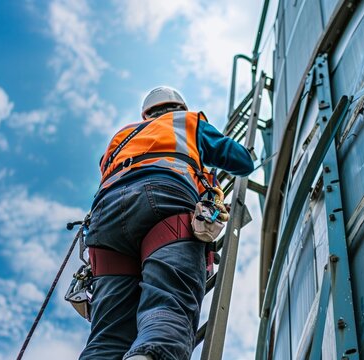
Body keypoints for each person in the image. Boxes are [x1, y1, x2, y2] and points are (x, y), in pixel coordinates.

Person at [79, 86, 254, 360]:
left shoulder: (121, 137)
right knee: (168, 302)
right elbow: (242, 162)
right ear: (180, 107)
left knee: (108, 334)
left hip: (106, 220)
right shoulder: (187, 121)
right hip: (164, 201)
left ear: (146, 113)